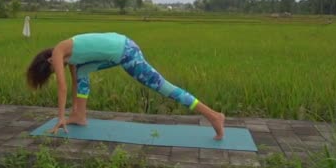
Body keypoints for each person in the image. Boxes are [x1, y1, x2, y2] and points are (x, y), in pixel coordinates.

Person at [26, 32, 225, 140]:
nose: (55, 72)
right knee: (82, 74)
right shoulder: (72, 59)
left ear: (50, 62)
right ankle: (80, 116)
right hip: (120, 45)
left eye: (51, 72)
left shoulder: (60, 51)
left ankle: (213, 115)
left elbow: (62, 87)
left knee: (163, 87)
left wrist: (61, 117)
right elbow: (75, 85)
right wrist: (72, 111)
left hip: (125, 51)